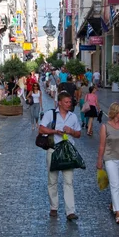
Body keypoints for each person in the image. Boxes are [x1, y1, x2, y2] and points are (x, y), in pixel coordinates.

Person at [39, 91, 82, 220]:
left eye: (70, 102)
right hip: (53, 150)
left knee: (68, 181)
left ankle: (70, 211)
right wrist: (55, 131)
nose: (69, 104)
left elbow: (79, 134)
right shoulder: (50, 114)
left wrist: (72, 131)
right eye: (67, 102)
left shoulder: (73, 117)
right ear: (60, 103)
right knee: (52, 180)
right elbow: (41, 129)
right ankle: (54, 207)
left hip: (68, 151)